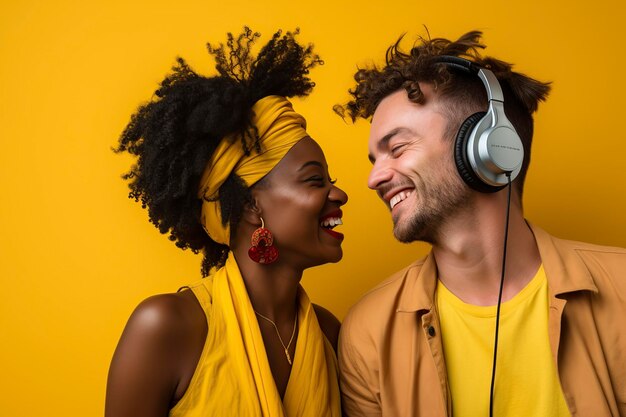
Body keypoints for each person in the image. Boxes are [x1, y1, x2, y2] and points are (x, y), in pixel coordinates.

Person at [335, 30, 626, 417]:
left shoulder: (621, 290)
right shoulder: (368, 333)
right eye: (375, 159)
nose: (374, 179)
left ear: (488, 148)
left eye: (397, 148)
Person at [105, 28, 347, 417]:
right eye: (315, 180)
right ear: (252, 205)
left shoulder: (329, 334)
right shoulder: (168, 328)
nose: (339, 194)